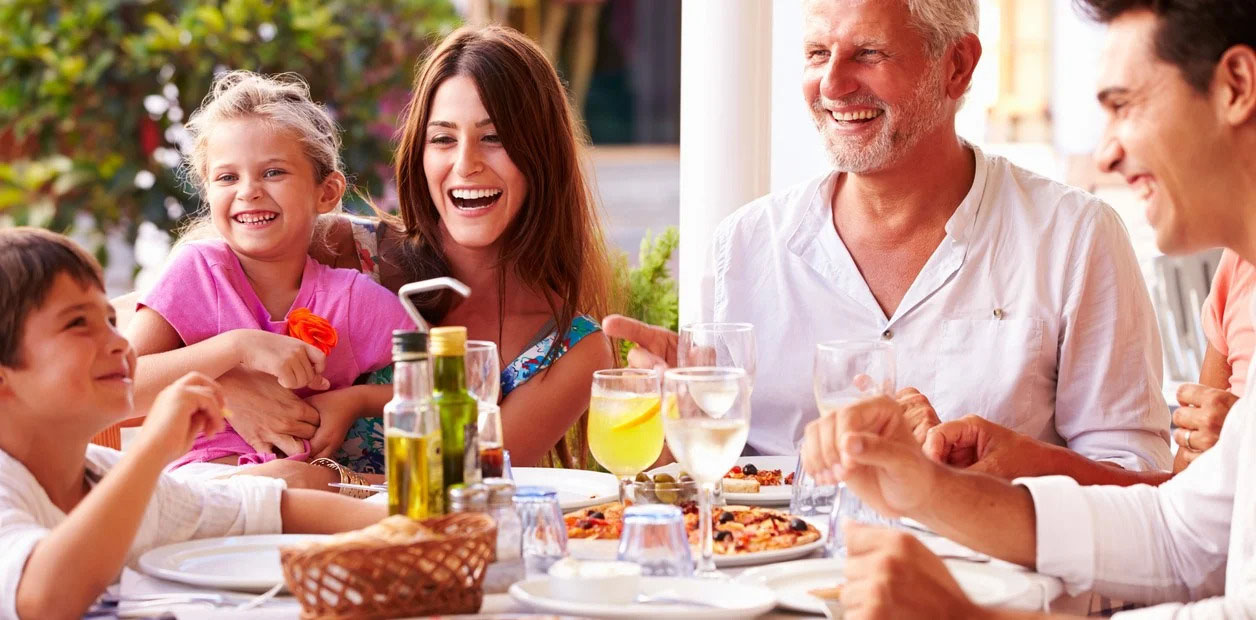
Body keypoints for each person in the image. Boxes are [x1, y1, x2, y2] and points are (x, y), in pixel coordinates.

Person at [802, 1, 1256, 615]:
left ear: (1236, 86)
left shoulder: (1072, 231)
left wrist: (968, 617)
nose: (1105, 154)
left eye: (1124, 105)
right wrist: (930, 490)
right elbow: (1180, 537)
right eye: (817, 54)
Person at [605, 0, 1171, 477]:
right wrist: (677, 419)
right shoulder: (744, 246)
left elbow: (1136, 480)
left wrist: (968, 472)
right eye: (817, 53)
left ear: (957, 66)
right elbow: (708, 483)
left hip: (973, 575)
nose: (832, 85)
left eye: (868, 53)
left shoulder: (1073, 237)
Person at [169, 26, 616, 470]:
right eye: (443, 139)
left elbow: (469, 482)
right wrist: (227, 387)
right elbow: (139, 358)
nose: (466, 164)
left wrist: (355, 410)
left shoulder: (569, 350)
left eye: (494, 137)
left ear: (543, 155)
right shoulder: (339, 247)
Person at [0, 228, 384, 619]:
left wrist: (411, 526)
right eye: (77, 323)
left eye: (111, 321)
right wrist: (153, 449)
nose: (119, 343)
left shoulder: (105, 478)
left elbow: (268, 509)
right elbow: (43, 599)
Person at [125, 71, 414, 472]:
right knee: (296, 480)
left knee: (307, 481)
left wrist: (355, 401)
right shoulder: (197, 272)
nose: (248, 191)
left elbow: (448, 378)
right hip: (201, 485)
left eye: (273, 172)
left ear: (327, 193)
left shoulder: (348, 297)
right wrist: (236, 349)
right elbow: (121, 384)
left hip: (304, 487)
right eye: (227, 177)